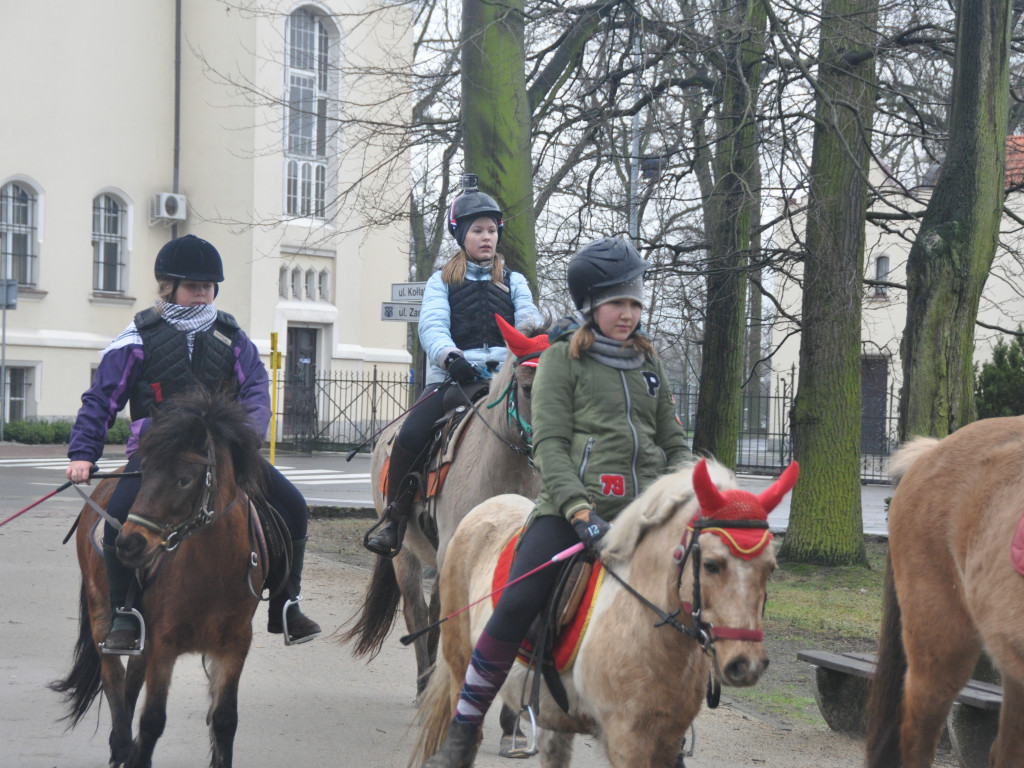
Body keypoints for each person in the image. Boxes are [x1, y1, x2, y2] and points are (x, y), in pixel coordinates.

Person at [418, 236, 693, 768]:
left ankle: (668, 725)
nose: (629, 314)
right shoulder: (562, 361)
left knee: (703, 593)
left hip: (647, 514)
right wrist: (580, 513)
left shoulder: (649, 360)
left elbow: (672, 439)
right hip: (574, 513)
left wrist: (687, 491)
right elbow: (549, 445)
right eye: (618, 303)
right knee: (518, 599)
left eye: (636, 303)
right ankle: (464, 728)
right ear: (591, 305)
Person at [66, 234, 321, 652]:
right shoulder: (136, 337)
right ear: (169, 287)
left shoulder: (232, 338)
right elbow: (101, 398)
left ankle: (286, 604)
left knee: (293, 506)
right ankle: (124, 612)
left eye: (208, 286)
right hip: (158, 459)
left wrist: (246, 439)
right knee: (114, 522)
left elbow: (256, 391)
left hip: (222, 455)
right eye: (193, 286)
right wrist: (82, 453)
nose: (202, 294)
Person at [363, 180, 542, 558]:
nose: (486, 237)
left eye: (492, 230)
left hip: (502, 379)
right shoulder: (441, 281)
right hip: (454, 379)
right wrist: (450, 357)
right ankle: (394, 519)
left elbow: (528, 321)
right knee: (412, 433)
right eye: (477, 230)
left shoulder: (515, 282)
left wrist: (530, 349)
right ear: (461, 235)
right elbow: (431, 326)